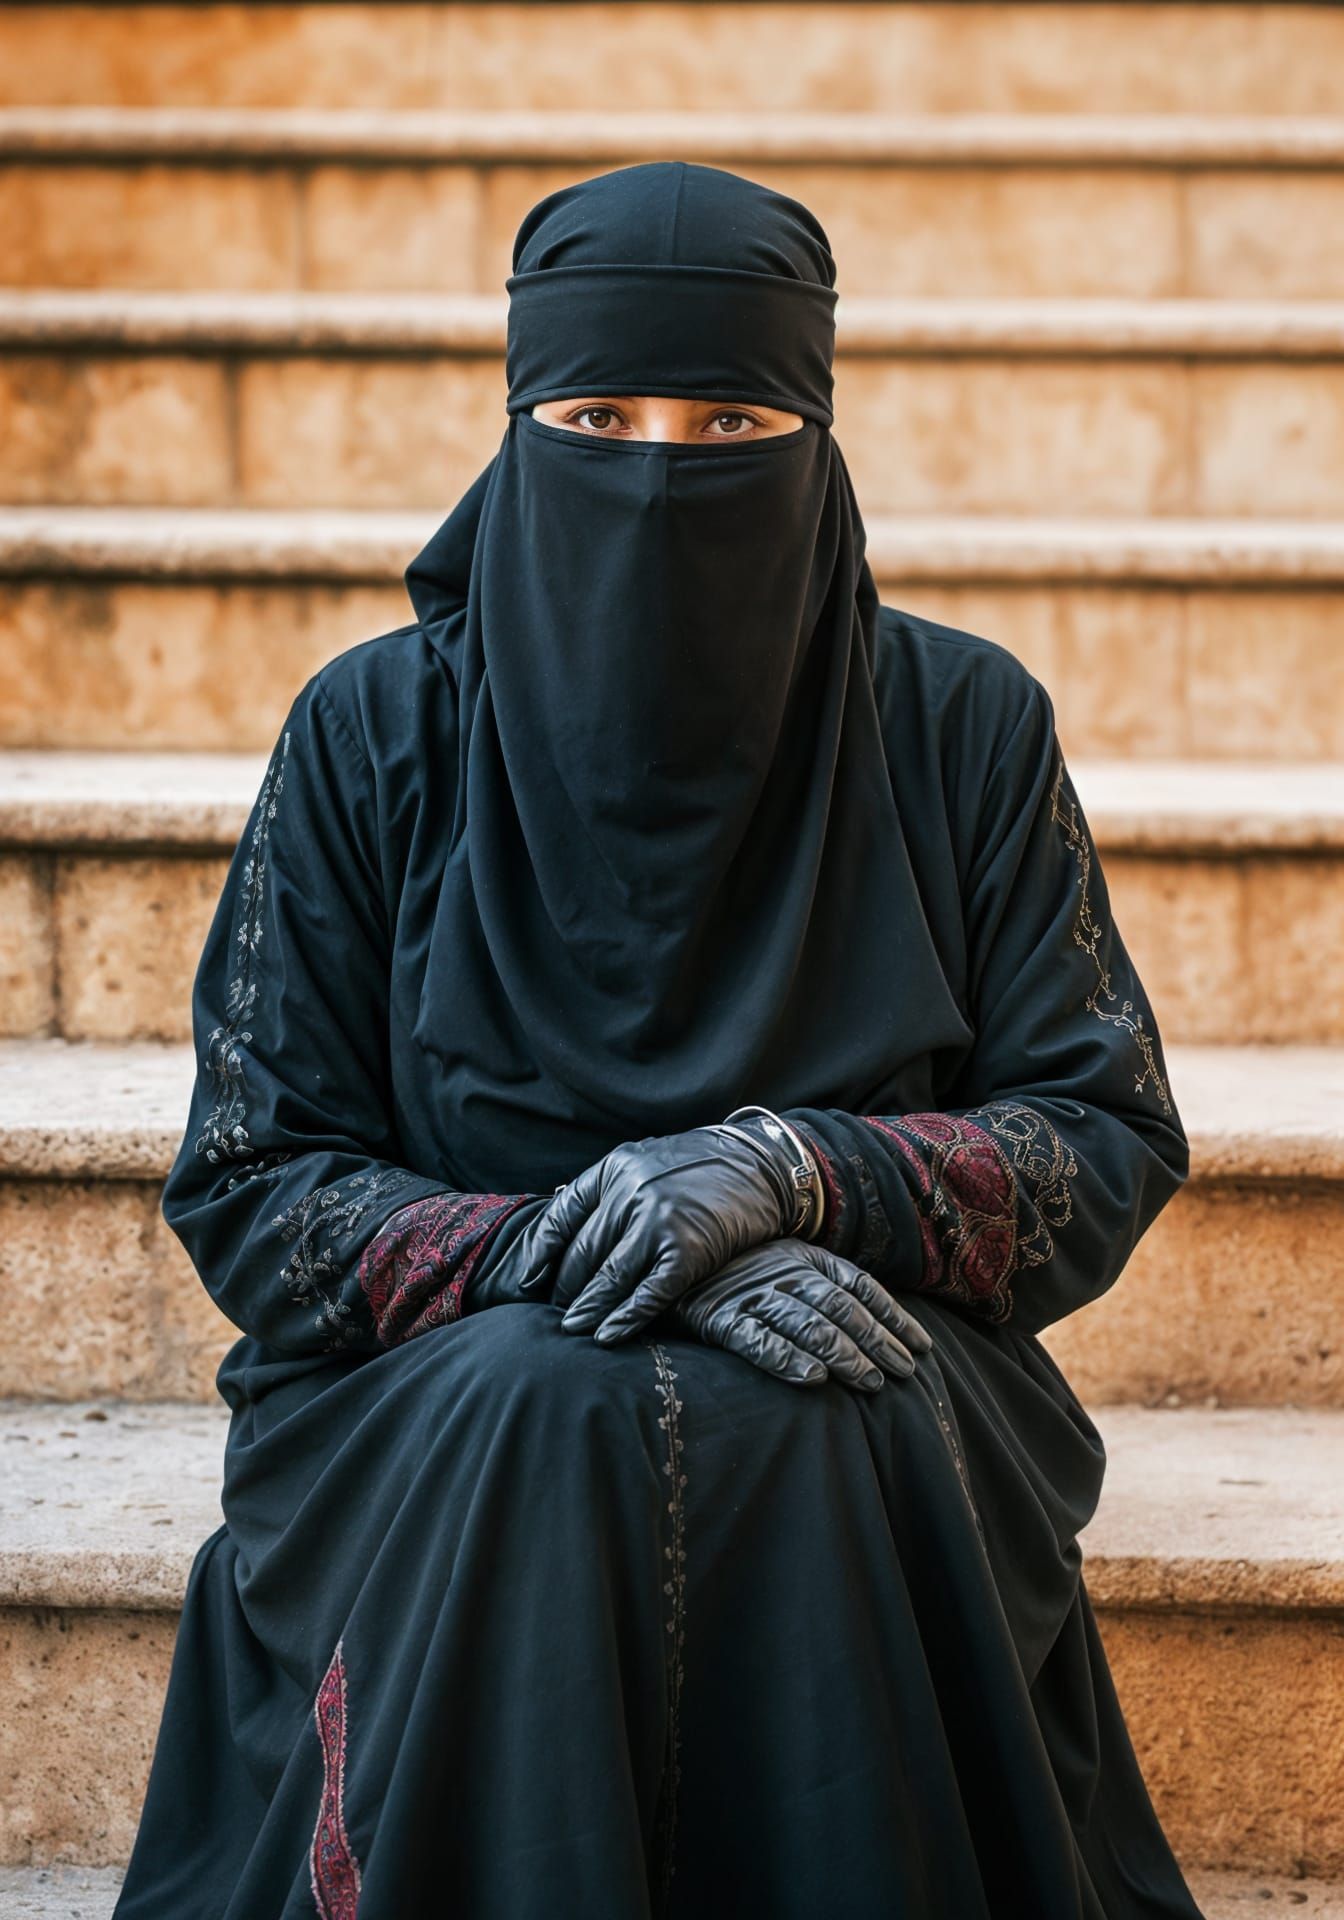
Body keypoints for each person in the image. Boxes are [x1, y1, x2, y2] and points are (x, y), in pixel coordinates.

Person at [112, 162, 1205, 1919]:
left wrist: (791, 1172)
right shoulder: (374, 731)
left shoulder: (959, 723)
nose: (660, 470)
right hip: (439, 1362)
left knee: (816, 1420)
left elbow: (1102, 1128)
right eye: (600, 413)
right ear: (518, 424)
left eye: (732, 417)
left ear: (821, 438)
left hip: (868, 1340)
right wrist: (601, 1237)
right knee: (542, 1408)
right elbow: (255, 1176)